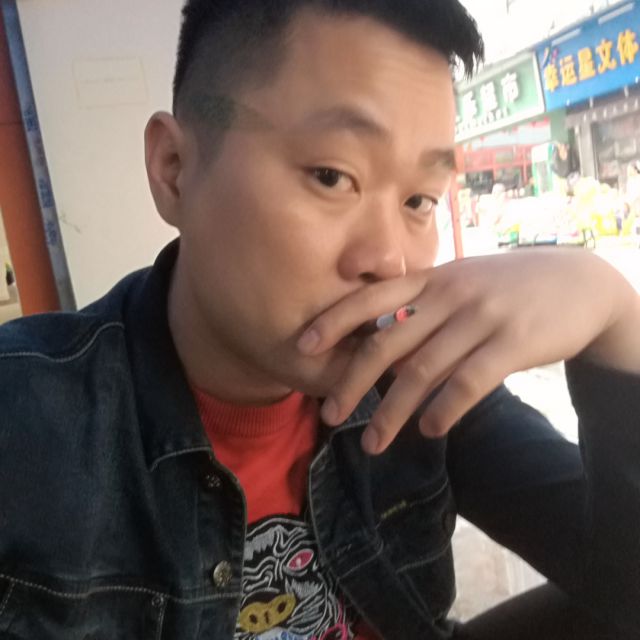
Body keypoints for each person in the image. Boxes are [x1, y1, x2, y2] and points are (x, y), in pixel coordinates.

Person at [1, 1, 639, 639]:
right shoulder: (26, 421)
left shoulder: (420, 383)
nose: (389, 260)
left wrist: (616, 319)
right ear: (174, 169)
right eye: (333, 176)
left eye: (419, 200)